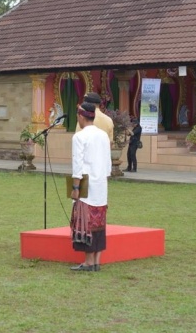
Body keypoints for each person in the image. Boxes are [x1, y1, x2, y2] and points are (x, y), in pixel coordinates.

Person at [70, 103, 111, 272]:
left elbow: (77, 164)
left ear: (81, 116)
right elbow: (108, 164)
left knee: (84, 221)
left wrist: (75, 187)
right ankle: (96, 262)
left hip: (86, 183)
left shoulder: (79, 137)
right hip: (101, 183)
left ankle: (88, 262)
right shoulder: (103, 135)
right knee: (99, 222)